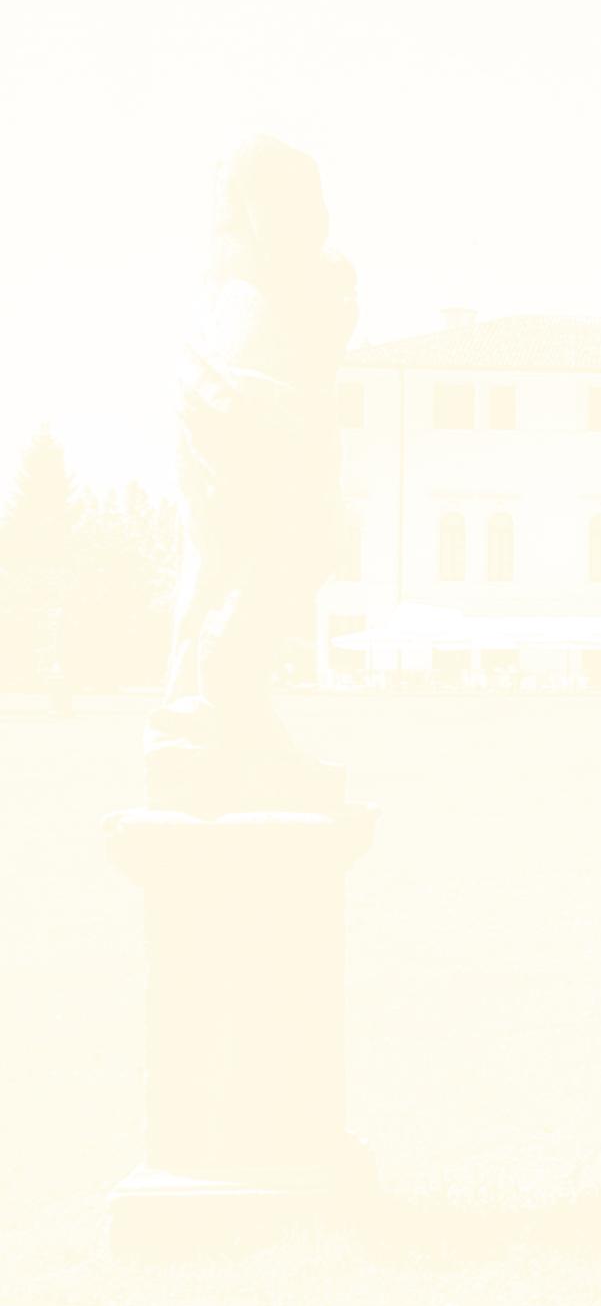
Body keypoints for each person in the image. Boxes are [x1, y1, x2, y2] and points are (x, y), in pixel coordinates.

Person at [146, 136, 357, 808]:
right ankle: (209, 707)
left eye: (313, 203)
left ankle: (215, 707)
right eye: (294, 202)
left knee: (272, 559)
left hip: (273, 443)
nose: (313, 218)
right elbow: (213, 385)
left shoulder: (285, 288)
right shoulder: (235, 295)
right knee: (240, 564)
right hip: (245, 445)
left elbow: (310, 363)